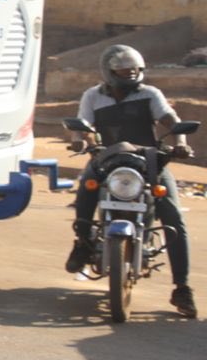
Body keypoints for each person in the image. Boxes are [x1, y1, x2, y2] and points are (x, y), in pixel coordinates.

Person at [65, 44, 195, 318]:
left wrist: (181, 142)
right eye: (124, 71)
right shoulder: (92, 96)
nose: (130, 74)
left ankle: (182, 287)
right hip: (106, 159)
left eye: (134, 70)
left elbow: (170, 120)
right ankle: (83, 243)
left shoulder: (150, 94)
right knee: (86, 189)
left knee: (174, 218)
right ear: (109, 72)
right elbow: (83, 125)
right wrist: (79, 141)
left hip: (148, 161)